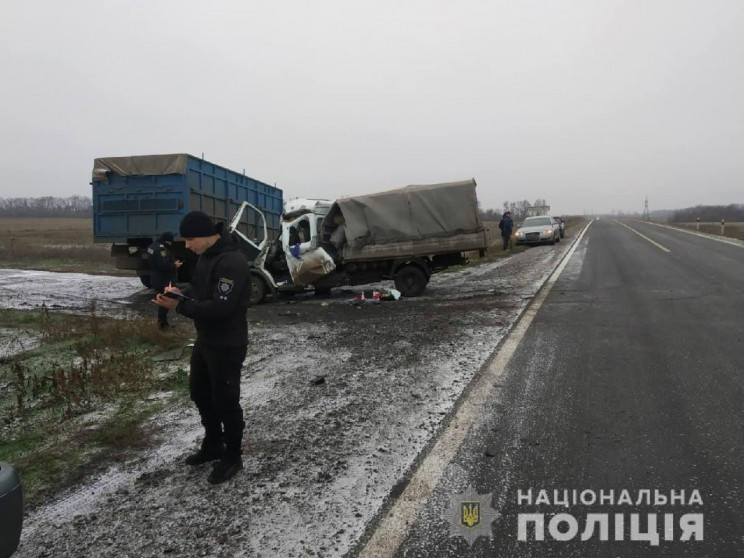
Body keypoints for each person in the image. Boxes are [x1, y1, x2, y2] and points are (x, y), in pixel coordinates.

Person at [153, 211, 251, 484]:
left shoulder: (232, 262)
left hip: (228, 343)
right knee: (200, 393)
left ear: (208, 235)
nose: (187, 245)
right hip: (206, 340)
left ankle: (232, 455)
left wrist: (180, 306)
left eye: (190, 239)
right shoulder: (206, 258)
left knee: (226, 401)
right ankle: (213, 444)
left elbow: (221, 307)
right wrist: (179, 291)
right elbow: (199, 290)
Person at [147, 232, 182, 329]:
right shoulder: (162, 249)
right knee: (165, 300)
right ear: (168, 240)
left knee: (162, 299)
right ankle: (162, 324)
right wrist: (175, 265)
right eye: (171, 242)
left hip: (156, 277)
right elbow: (164, 265)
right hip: (164, 279)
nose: (171, 244)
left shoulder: (152, 246)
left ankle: (163, 323)